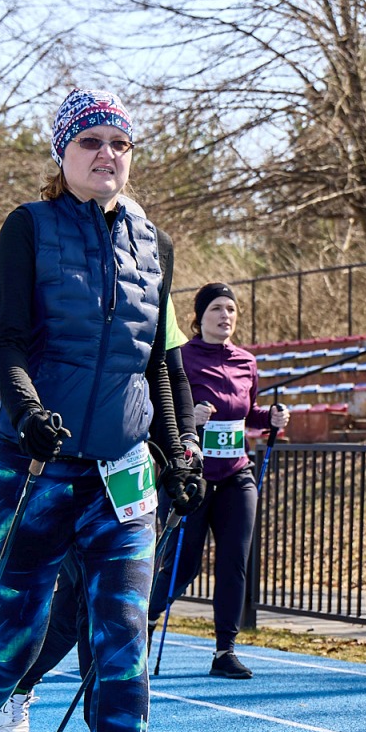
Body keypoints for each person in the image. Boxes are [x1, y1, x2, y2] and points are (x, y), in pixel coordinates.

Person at [0, 88, 202, 732]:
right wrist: (29, 411)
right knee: (14, 636)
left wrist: (177, 452)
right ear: (63, 153)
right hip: (33, 469)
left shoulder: (153, 242)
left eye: (119, 141)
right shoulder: (29, 228)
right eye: (91, 140)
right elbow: (3, 344)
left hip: (121, 475)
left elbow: (155, 363)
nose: (107, 153)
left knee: (123, 646)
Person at [149, 283, 289, 680]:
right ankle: (146, 619)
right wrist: (190, 419)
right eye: (216, 309)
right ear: (198, 317)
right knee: (184, 561)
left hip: (236, 475)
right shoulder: (183, 358)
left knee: (234, 560)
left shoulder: (246, 360)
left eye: (231, 309)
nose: (225, 316)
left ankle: (224, 650)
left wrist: (271, 418)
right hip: (191, 477)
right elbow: (164, 409)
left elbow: (248, 412)